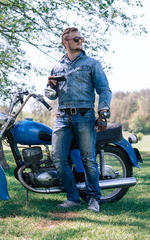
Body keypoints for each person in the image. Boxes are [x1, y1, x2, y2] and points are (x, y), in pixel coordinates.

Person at [47, 27, 112, 213]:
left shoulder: (92, 63)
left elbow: (104, 89)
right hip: (62, 116)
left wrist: (103, 111)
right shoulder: (57, 66)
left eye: (81, 38)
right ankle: (73, 198)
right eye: (76, 39)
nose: (80, 41)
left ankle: (93, 199)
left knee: (88, 160)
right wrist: (50, 86)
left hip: (85, 115)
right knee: (58, 159)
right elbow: (52, 96)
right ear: (65, 42)